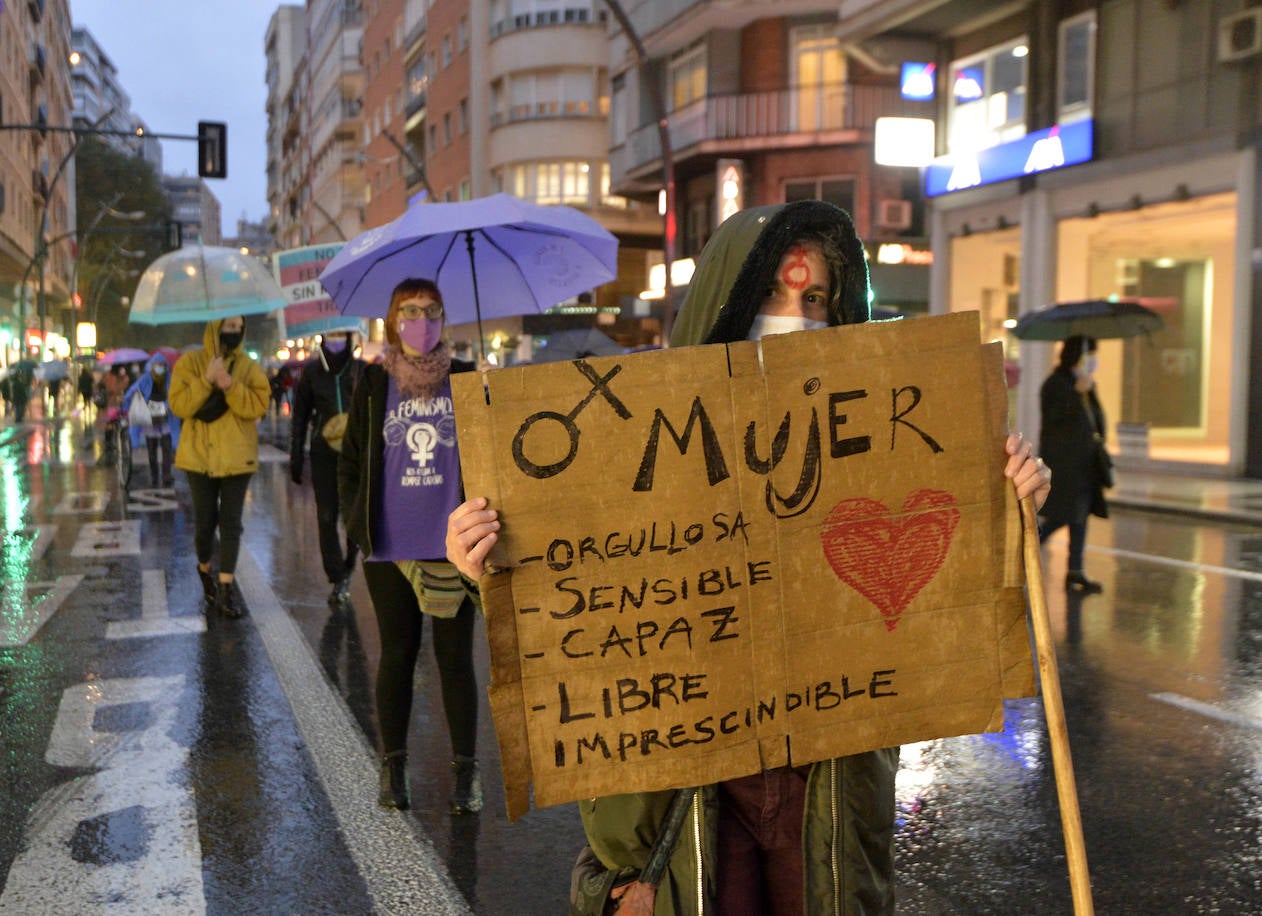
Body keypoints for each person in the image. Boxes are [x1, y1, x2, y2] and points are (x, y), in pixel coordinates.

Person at [446, 201, 1053, 915]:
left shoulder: (872, 441)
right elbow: (580, 593)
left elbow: (944, 622)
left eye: (815, 297)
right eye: (771, 291)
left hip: (827, 782)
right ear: (730, 296)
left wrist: (1005, 512)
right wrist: (488, 559)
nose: (792, 314)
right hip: (691, 801)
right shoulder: (643, 431)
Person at [338, 278, 483, 815]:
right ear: (393, 323)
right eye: (409, 312)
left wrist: (491, 395)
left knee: (455, 661)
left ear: (444, 319)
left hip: (455, 550)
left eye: (430, 311)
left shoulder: (468, 380)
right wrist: (358, 524)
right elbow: (352, 459)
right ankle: (392, 768)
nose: (420, 321)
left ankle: (466, 774)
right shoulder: (374, 385)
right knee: (397, 656)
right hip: (390, 549)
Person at [169, 316, 270, 618]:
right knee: (204, 523)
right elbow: (180, 405)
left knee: (230, 523)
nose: (235, 332)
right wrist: (206, 379)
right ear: (215, 328)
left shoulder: (249, 368)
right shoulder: (189, 363)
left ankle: (226, 587)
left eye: (240, 327)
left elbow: (257, 405)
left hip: (238, 458)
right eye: (228, 326)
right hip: (197, 457)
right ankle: (204, 568)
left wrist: (228, 383)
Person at [290, 328, 361, 608]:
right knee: (326, 516)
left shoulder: (362, 370)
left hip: (355, 455)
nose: (335, 340)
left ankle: (350, 563)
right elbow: (300, 416)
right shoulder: (311, 372)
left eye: (339, 334)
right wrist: (296, 455)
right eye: (329, 335)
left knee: (353, 514)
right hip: (323, 453)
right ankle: (337, 575)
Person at [1037, 334, 1110, 594]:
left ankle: (1075, 570)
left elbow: (1096, 419)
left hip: (1086, 464)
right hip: (1065, 465)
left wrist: (1085, 392)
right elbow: (1055, 418)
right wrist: (1076, 395)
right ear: (1077, 355)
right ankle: (1021, 551)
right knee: (1061, 517)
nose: (1093, 360)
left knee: (1080, 518)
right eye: (1090, 354)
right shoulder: (1055, 384)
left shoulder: (1086, 384)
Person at [123, 352, 181, 488]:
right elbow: (133, 390)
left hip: (166, 417)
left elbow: (176, 393)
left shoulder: (170, 379)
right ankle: (155, 474)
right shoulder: (145, 379)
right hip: (150, 417)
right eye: (157, 365)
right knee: (152, 449)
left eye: (162, 365)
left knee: (167, 448)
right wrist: (128, 401)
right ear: (152, 366)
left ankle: (166, 475)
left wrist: (169, 405)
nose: (159, 367)